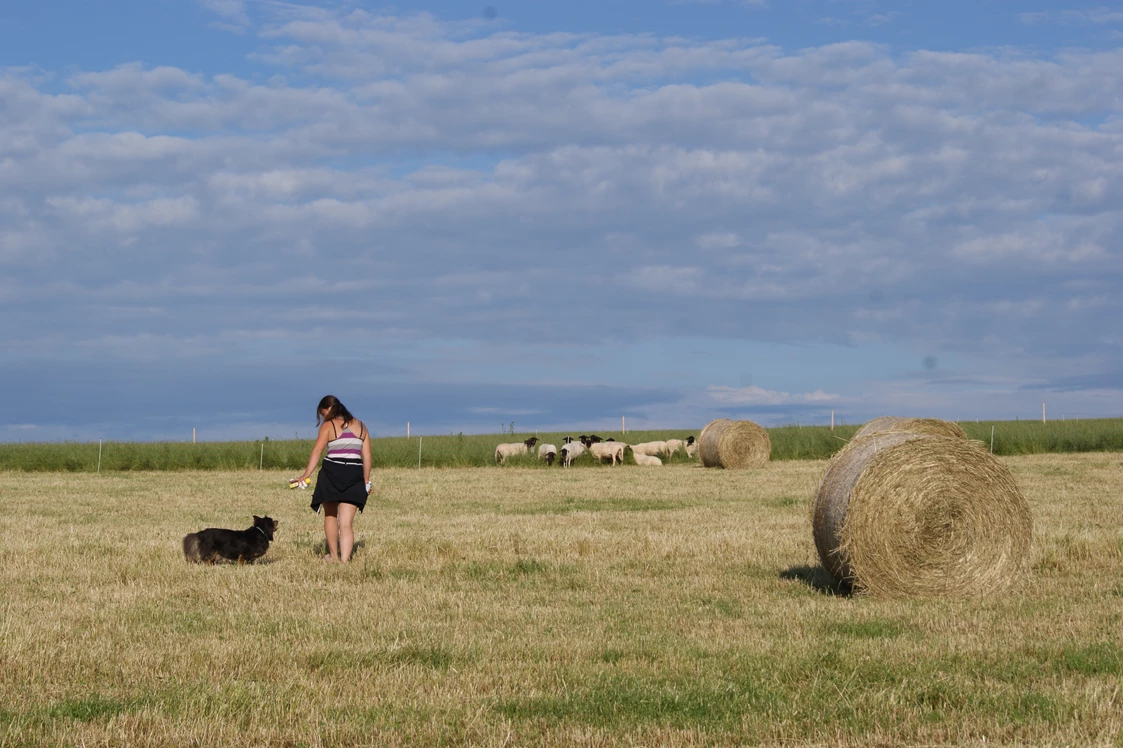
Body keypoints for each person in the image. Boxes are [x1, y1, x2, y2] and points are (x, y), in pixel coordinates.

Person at [292, 395, 372, 563]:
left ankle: (334, 557)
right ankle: (344, 561)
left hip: (332, 472)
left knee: (330, 516)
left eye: (323, 414)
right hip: (354, 473)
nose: (323, 418)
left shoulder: (328, 426)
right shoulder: (362, 426)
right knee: (346, 523)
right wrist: (366, 480)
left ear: (329, 409)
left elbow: (317, 452)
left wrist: (305, 475)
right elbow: (367, 456)